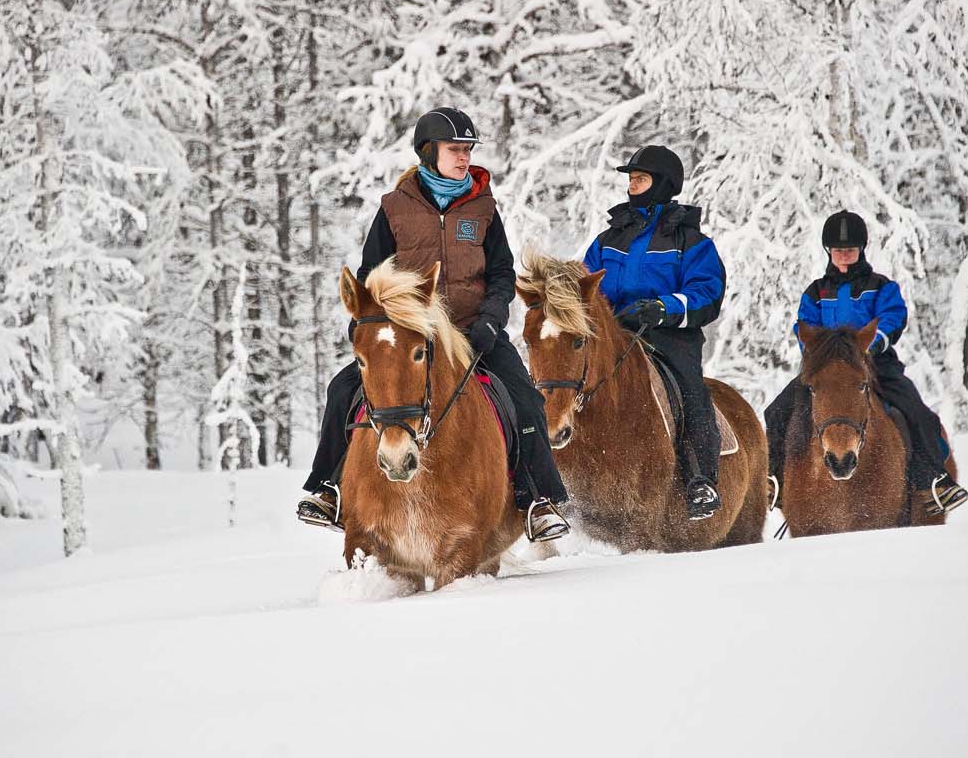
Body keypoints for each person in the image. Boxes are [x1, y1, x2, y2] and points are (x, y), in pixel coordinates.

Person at [296, 107, 571, 542]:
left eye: (467, 150)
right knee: (342, 390)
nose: (464, 158)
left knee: (524, 398)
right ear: (429, 152)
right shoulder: (394, 208)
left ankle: (538, 499)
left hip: (471, 333)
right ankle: (326, 488)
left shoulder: (483, 208)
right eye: (454, 150)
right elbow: (371, 274)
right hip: (410, 335)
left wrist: (491, 320)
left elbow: (501, 272)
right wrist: (367, 324)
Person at [764, 210, 968, 512]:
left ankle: (934, 480)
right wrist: (818, 351)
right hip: (826, 371)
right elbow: (804, 324)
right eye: (838, 251)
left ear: (861, 250)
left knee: (914, 408)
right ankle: (775, 480)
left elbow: (894, 315)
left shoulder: (881, 286)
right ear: (829, 252)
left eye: (849, 250)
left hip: (875, 365)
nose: (844, 256)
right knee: (777, 411)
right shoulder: (816, 292)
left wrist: (869, 346)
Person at [582, 145, 727, 521]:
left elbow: (707, 292)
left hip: (667, 337)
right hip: (613, 335)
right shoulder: (608, 238)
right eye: (630, 179)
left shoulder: (691, 242)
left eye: (640, 179)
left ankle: (700, 480)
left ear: (662, 184)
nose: (632, 186)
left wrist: (666, 307)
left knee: (690, 392)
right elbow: (586, 284)